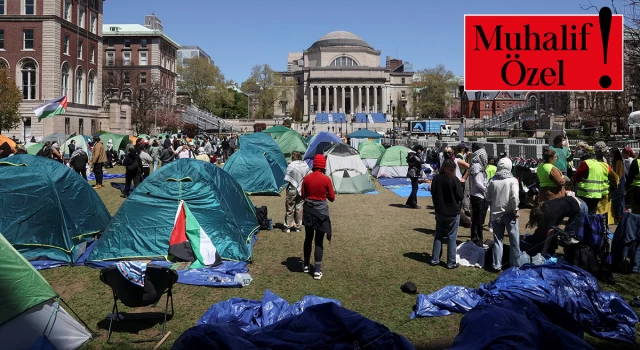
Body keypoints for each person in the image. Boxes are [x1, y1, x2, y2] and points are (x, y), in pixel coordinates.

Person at [301, 154, 335, 280]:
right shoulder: (326, 179)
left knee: (308, 238)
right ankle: (317, 270)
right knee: (319, 241)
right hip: (321, 214)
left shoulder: (307, 178)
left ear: (314, 165)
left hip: (309, 212)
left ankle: (305, 265)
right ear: (323, 166)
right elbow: (332, 198)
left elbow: (303, 195)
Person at [486, 158, 521, 272]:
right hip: (510, 214)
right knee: (514, 241)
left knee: (498, 241)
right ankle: (515, 265)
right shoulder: (512, 180)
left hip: (496, 215)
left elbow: (487, 197)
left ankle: (497, 265)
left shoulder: (493, 180)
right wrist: (516, 210)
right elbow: (515, 197)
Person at [430, 159, 463, 269]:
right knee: (451, 237)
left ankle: (435, 259)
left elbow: (432, 191)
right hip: (452, 213)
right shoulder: (453, 179)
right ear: (453, 169)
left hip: (439, 211)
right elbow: (460, 196)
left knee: (438, 236)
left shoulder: (435, 179)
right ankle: (451, 262)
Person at [574, 141, 618, 215]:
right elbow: (615, 178)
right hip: (600, 193)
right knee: (596, 215)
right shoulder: (604, 164)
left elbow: (577, 178)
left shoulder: (587, 163)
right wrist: (613, 187)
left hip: (588, 194)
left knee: (587, 214)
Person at [284, 151, 310, 232]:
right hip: (301, 189)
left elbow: (287, 176)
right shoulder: (305, 165)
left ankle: (288, 226)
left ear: (293, 157)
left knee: (290, 207)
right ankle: (298, 227)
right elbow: (308, 175)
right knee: (299, 208)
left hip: (292, 189)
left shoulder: (291, 165)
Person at [469, 144, 488, 246]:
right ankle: (476, 240)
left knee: (478, 220)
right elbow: (478, 182)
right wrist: (486, 190)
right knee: (478, 221)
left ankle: (477, 239)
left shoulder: (478, 165)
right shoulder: (476, 166)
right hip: (478, 196)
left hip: (479, 195)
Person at [611, 148, 625, 222]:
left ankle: (620, 215)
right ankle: (617, 214)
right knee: (616, 199)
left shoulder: (619, 162)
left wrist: (616, 182)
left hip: (619, 183)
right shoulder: (614, 161)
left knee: (619, 200)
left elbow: (619, 174)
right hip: (616, 182)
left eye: (612, 153)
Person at [625, 147, 640, 213]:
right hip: (635, 188)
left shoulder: (636, 162)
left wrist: (626, 186)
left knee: (636, 208)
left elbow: (630, 177)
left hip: (635, 189)